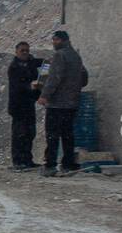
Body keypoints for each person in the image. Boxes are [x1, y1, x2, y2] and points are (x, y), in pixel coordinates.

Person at [37, 29, 87, 176]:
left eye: (55, 40)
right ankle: (68, 163)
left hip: (57, 103)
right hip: (72, 103)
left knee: (52, 135)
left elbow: (54, 78)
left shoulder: (60, 55)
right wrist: (74, 88)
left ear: (62, 40)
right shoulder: (76, 56)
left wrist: (45, 95)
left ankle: (50, 165)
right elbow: (84, 77)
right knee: (68, 134)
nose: (53, 43)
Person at [6, 41, 42, 170]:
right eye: (22, 51)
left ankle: (27, 160)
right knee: (19, 134)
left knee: (30, 133)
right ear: (16, 52)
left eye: (27, 50)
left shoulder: (30, 62)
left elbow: (42, 63)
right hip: (18, 105)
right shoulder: (14, 67)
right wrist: (30, 86)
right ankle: (18, 161)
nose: (25, 53)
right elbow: (17, 86)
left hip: (29, 104)